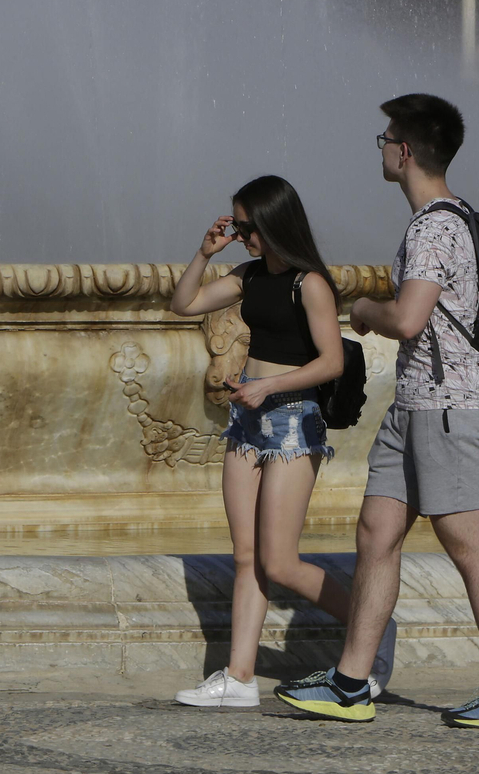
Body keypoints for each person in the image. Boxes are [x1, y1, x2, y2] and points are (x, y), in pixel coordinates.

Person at [275, 93, 479, 727]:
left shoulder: (430, 225)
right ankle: (351, 682)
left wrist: (365, 311)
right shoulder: (464, 217)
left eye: (385, 138)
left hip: (446, 405)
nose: (382, 147)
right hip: (418, 401)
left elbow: (409, 318)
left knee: (469, 543)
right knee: (376, 534)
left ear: (406, 151)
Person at [169, 174, 396, 708]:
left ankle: (375, 624)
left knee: (279, 561)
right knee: (245, 556)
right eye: (237, 225)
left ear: (274, 223)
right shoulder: (247, 276)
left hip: (293, 420)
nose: (241, 235)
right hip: (247, 421)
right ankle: (240, 677)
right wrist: (203, 254)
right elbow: (184, 304)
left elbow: (330, 361)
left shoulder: (309, 283)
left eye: (248, 227)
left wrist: (267, 384)